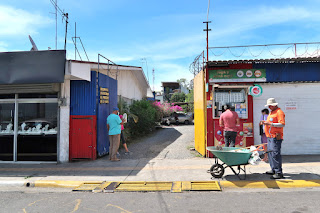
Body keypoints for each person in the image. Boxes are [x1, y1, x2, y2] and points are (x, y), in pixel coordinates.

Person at [262, 98, 285, 179]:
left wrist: (270, 124)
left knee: (275, 154)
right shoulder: (272, 112)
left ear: (273, 105)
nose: (268, 107)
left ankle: (278, 172)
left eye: (269, 106)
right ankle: (273, 169)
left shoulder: (279, 112)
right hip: (270, 137)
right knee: (271, 154)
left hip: (275, 137)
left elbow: (282, 124)